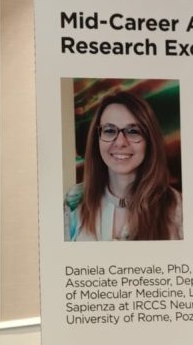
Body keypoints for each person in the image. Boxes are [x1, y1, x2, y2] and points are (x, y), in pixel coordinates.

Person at [64, 91, 183, 241]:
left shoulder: (178, 208)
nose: (120, 142)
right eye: (109, 130)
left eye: (133, 131)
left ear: (149, 140)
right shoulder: (73, 202)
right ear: (97, 140)